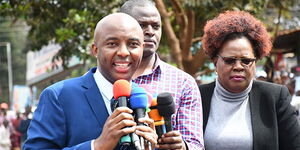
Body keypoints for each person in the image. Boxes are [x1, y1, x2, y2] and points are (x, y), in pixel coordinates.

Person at [23, 13, 158, 150]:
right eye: (112, 44)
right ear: (95, 50)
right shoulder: (58, 96)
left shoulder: (143, 99)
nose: (123, 52)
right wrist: (97, 146)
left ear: (142, 49)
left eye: (133, 44)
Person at [199, 10, 300, 150]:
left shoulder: (275, 97)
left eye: (246, 61)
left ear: (255, 62)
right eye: (230, 61)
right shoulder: (197, 96)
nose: (238, 67)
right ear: (216, 62)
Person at [120, 1, 204, 150]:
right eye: (142, 25)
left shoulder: (183, 83)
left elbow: (195, 145)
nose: (150, 31)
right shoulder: (106, 78)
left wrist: (182, 146)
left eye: (156, 26)